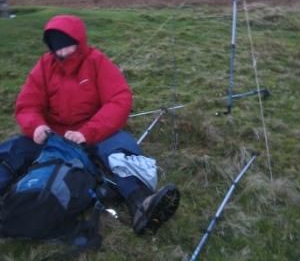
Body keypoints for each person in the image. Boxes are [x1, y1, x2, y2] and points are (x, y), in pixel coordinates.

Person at [0, 14, 179, 234]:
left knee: (119, 149)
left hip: (94, 131)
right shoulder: (44, 66)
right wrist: (35, 126)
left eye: (67, 46)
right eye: (57, 47)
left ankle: (142, 203)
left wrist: (87, 132)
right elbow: (28, 104)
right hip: (53, 136)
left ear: (79, 41)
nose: (62, 52)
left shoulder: (97, 62)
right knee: (14, 149)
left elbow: (119, 99)